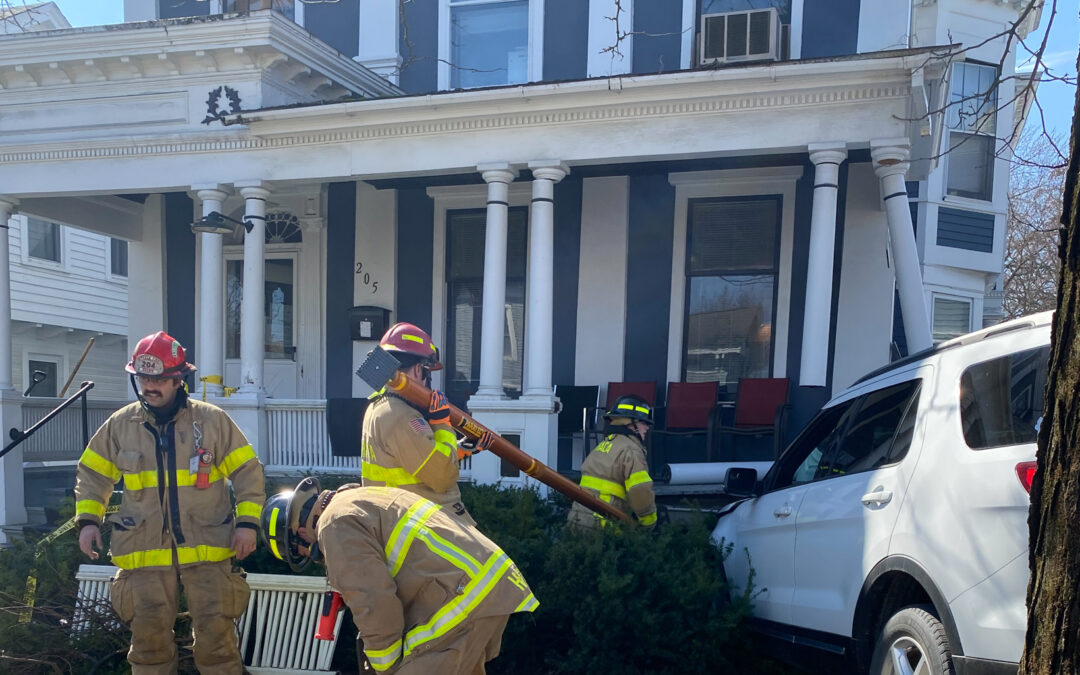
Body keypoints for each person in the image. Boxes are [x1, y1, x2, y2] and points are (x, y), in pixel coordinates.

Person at [74, 331, 265, 675]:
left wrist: (248, 524)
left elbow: (248, 473)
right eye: (144, 378)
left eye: (159, 379)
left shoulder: (212, 422)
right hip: (143, 552)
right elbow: (92, 475)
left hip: (208, 549)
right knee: (148, 648)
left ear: (178, 380)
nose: (150, 386)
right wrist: (88, 521)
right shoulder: (120, 425)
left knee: (218, 645)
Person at [262, 478, 538, 674]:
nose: (314, 556)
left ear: (299, 534)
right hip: (489, 587)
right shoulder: (363, 498)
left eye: (302, 551)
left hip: (461, 601)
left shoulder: (333, 525)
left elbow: (373, 600)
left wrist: (384, 664)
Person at [362, 322, 492, 525]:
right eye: (427, 371)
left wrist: (460, 450)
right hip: (423, 528)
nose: (427, 380)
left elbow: (414, 460)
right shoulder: (400, 416)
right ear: (417, 370)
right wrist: (441, 423)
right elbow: (442, 477)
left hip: (407, 521)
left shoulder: (383, 407)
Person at [567, 394, 657, 529]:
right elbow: (640, 491)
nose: (647, 428)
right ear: (631, 424)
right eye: (644, 422)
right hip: (602, 527)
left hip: (577, 521)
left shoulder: (604, 445)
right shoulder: (631, 450)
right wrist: (650, 524)